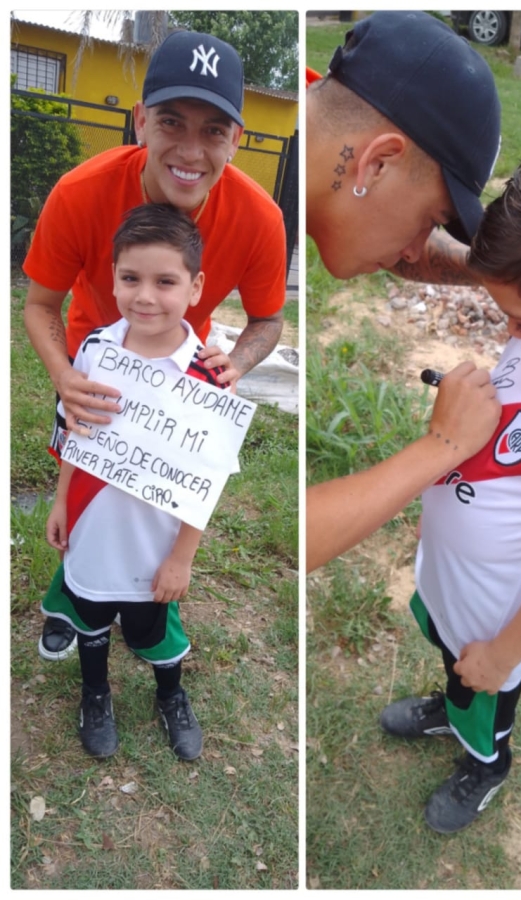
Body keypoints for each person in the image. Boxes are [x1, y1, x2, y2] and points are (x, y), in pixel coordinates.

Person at [24, 30, 287, 660]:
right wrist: (65, 376)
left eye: (214, 130)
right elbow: (39, 304)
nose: (191, 150)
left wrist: (238, 362)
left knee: (158, 501)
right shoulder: (80, 192)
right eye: (172, 122)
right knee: (87, 490)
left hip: (177, 377)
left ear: (237, 139)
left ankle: (152, 609)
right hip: (96, 368)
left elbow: (268, 320)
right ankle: (72, 596)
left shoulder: (260, 218)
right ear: (141, 121)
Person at [378, 137, 521, 833]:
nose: (512, 334)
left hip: (497, 624)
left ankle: (486, 763)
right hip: (454, 588)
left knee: (487, 688)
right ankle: (453, 705)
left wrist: (503, 655)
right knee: (453, 660)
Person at [305, 11, 505, 572]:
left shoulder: (320, 126)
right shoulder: (223, 200)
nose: (418, 249)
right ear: (380, 162)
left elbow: (388, 244)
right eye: (431, 219)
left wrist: (499, 270)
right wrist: (442, 446)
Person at [42, 203, 235, 760]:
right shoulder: (97, 350)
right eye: (130, 278)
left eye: (165, 281)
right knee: (92, 615)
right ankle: (95, 692)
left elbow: (207, 476)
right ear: (113, 279)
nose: (145, 296)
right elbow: (75, 432)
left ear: (195, 287)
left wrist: (183, 557)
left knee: (154, 631)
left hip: (156, 541)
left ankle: (171, 694)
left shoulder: (206, 376)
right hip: (92, 523)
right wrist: (61, 501)